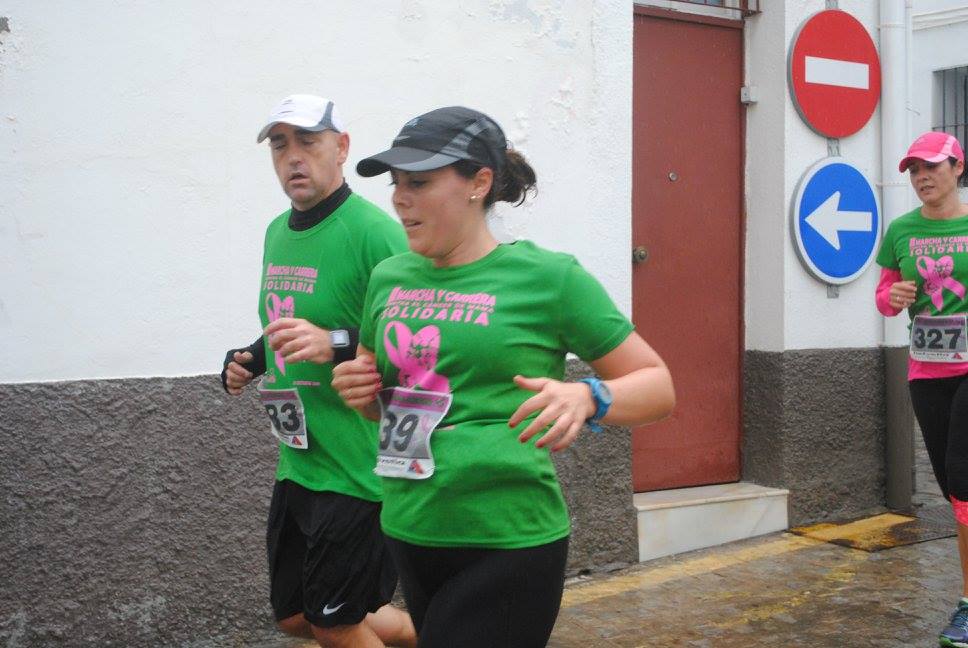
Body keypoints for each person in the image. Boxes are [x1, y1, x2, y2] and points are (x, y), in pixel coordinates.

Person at [331, 106, 676, 647]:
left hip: (508, 537)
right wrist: (361, 395)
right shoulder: (388, 277)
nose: (400, 198)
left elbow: (658, 386)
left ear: (479, 182)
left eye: (419, 182)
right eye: (396, 183)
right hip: (410, 525)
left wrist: (588, 396)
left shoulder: (550, 278)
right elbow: (386, 401)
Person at [220, 94, 416, 648]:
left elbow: (419, 340)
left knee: (335, 622)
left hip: (359, 466)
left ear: (342, 147)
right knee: (295, 617)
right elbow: (287, 322)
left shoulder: (374, 232)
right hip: (301, 460)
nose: (293, 157)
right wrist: (251, 359)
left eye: (308, 142)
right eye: (280, 146)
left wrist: (334, 343)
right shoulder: (277, 232)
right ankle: (432, 633)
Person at [875, 131, 968, 648]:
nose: (921, 177)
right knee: (955, 490)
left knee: (964, 476)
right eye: (914, 170)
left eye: (931, 166)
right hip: (927, 371)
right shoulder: (902, 230)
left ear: (958, 166)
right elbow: (884, 294)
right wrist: (894, 295)